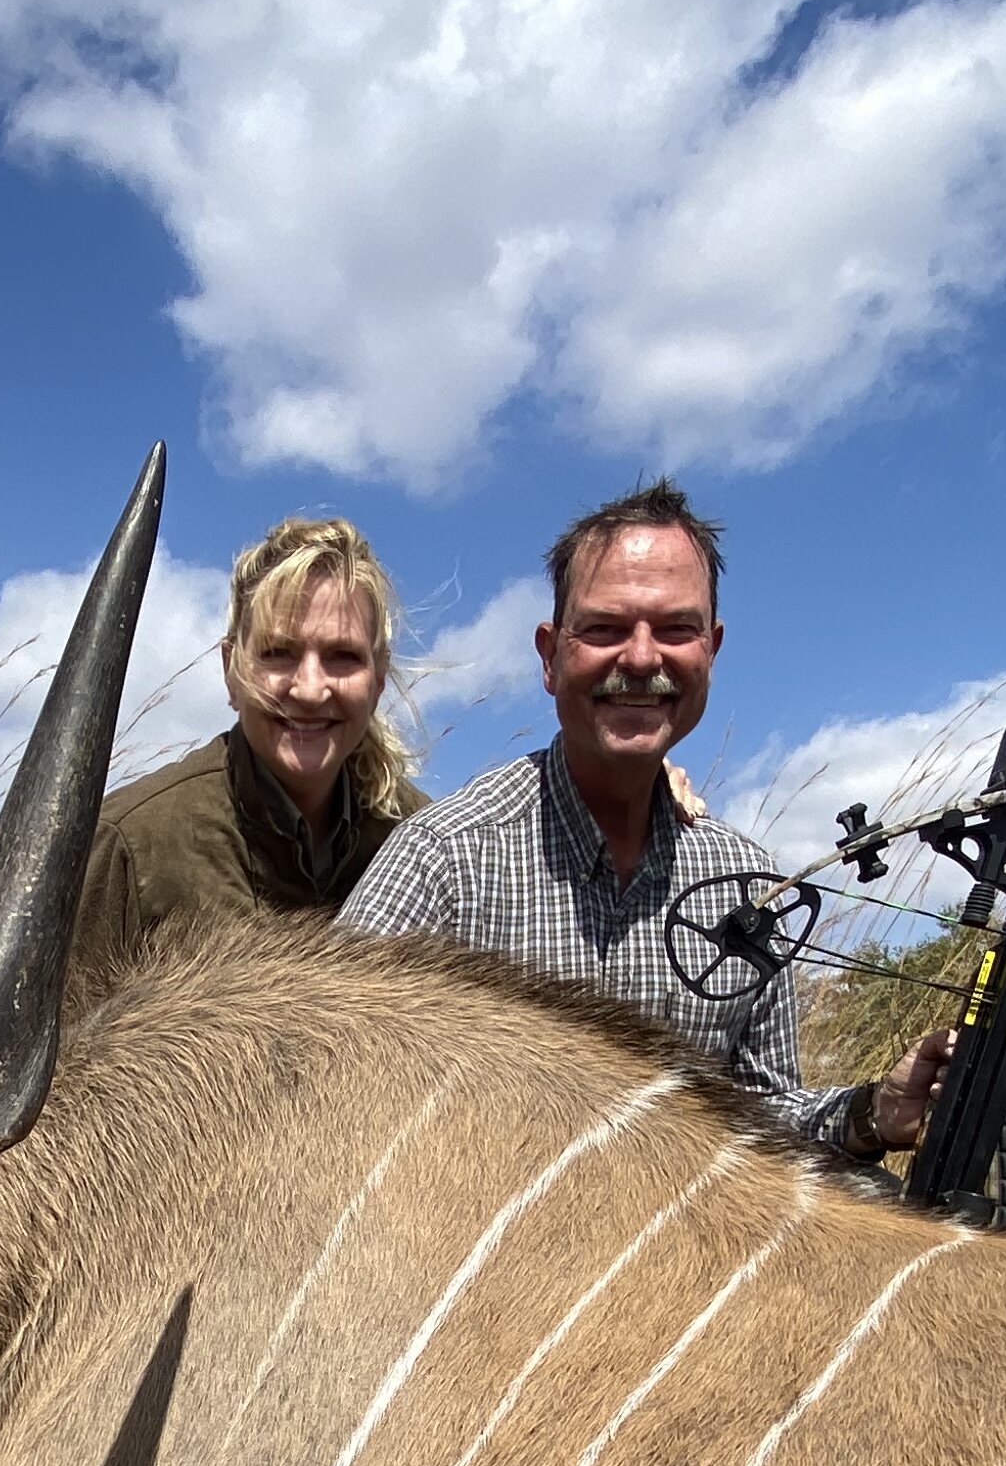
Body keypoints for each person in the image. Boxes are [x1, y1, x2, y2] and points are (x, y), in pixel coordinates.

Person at [339, 480, 948, 1165]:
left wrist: (876, 1112)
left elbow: (764, 1116)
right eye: (603, 628)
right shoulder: (444, 858)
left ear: (711, 650)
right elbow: (328, 1080)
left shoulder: (746, 885)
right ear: (549, 654)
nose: (640, 658)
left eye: (674, 629)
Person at [74, 515, 425, 971]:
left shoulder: (425, 845)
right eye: (279, 653)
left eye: (343, 657)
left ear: (378, 677)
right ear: (231, 669)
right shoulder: (130, 845)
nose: (310, 689)